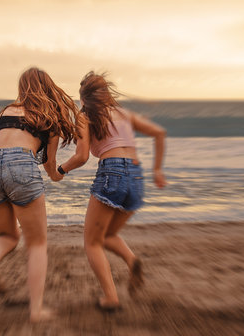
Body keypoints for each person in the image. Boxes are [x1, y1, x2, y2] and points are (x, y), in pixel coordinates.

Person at [0, 67, 79, 322]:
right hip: (21, 165)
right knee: (37, 244)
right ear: (48, 87)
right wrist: (59, 175)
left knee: (7, 235)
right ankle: (36, 310)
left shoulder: (6, 111)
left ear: (22, 88)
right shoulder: (51, 119)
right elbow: (49, 165)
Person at [55, 71, 166, 311]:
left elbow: (82, 156)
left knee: (92, 242)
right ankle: (132, 260)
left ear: (83, 97)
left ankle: (111, 298)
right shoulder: (124, 113)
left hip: (112, 172)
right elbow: (159, 133)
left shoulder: (84, 117)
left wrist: (60, 170)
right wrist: (158, 170)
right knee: (107, 236)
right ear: (106, 93)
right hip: (137, 175)